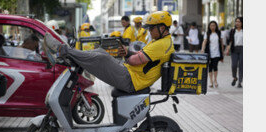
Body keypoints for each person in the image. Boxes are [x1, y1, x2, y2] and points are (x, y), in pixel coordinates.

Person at [44, 11, 175, 93]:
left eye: (151, 28)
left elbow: (134, 61)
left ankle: (63, 50)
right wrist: (128, 53)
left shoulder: (161, 44)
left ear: (162, 27)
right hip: (130, 74)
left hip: (132, 80)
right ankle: (69, 55)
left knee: (102, 59)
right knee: (101, 52)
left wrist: (128, 56)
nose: (150, 31)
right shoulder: (161, 41)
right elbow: (138, 57)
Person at [201, 21, 224, 88]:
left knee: (215, 66)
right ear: (209, 26)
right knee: (210, 67)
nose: (213, 27)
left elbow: (222, 42)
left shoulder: (219, 33)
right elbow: (204, 41)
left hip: (217, 53)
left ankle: (215, 80)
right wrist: (202, 49)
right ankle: (211, 81)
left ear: (216, 26)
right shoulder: (207, 33)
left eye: (214, 25)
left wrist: (222, 52)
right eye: (211, 25)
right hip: (209, 53)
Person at [225, 17, 243, 88]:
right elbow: (230, 41)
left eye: (239, 22)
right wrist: (227, 49)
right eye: (236, 22)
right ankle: (235, 77)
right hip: (234, 50)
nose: (237, 23)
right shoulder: (232, 31)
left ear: (242, 23)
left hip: (243, 49)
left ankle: (240, 82)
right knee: (234, 65)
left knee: (241, 66)